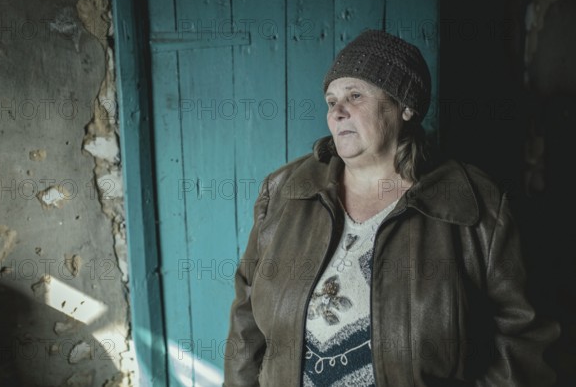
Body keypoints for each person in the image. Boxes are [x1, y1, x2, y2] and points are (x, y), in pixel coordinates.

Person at [223, 29, 558, 386]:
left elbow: (522, 341)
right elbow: (246, 324)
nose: (337, 112)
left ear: (406, 107)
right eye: (331, 101)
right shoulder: (286, 192)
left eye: (355, 96)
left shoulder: (477, 205)